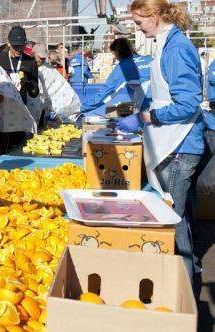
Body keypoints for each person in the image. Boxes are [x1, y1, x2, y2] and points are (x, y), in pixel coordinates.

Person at [119, 0, 212, 291]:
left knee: (172, 219)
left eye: (139, 22)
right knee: (180, 215)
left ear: (155, 16)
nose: (138, 28)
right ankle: (188, 276)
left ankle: (184, 289)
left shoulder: (176, 48)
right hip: (176, 141)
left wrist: (147, 116)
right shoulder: (166, 43)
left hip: (182, 143)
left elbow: (186, 104)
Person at [81, 38, 153, 114]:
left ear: (117, 52)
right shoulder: (150, 59)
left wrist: (82, 108)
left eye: (113, 54)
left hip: (148, 110)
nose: (115, 57)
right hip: (162, 106)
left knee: (113, 113)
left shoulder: (123, 66)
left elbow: (106, 93)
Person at [0, 25, 39, 149]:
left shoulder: (30, 62)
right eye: (15, 46)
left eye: (21, 45)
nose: (18, 49)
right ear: (8, 43)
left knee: (18, 147)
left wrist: (29, 84)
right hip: (2, 110)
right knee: (2, 147)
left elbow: (35, 93)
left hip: (20, 110)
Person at [32, 43, 81, 124]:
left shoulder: (46, 69)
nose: (41, 60)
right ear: (33, 54)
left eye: (43, 58)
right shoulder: (33, 67)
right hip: (45, 102)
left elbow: (45, 93)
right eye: (39, 57)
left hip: (61, 102)